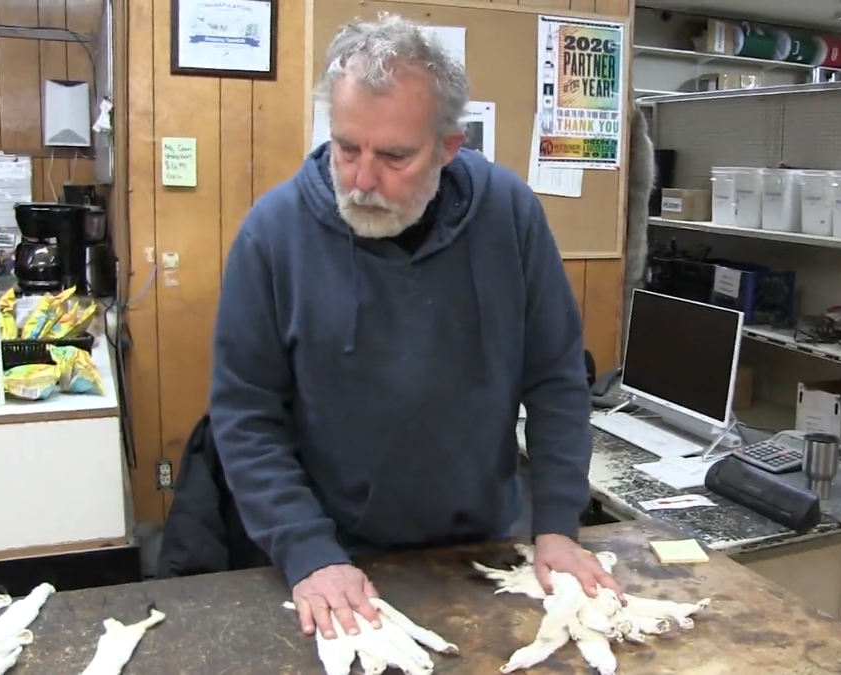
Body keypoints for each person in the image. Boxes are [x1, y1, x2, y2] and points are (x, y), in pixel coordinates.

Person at [209, 12, 620, 641]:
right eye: (347, 148)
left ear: (450, 147)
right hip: (340, 561)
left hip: (487, 548)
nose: (363, 180)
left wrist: (558, 525)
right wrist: (308, 551)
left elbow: (556, 378)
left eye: (395, 156)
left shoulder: (509, 215)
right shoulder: (273, 234)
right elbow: (245, 415)